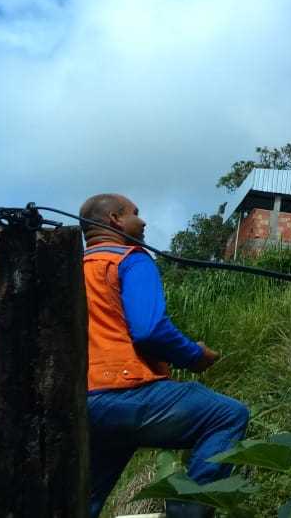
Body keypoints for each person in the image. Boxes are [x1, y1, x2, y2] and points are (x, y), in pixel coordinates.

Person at [80, 193, 248, 518]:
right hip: (126, 391)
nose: (142, 222)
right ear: (116, 220)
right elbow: (148, 329)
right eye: (135, 213)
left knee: (85, 497)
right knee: (228, 415)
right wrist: (193, 356)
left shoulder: (71, 270)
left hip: (81, 401)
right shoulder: (131, 259)